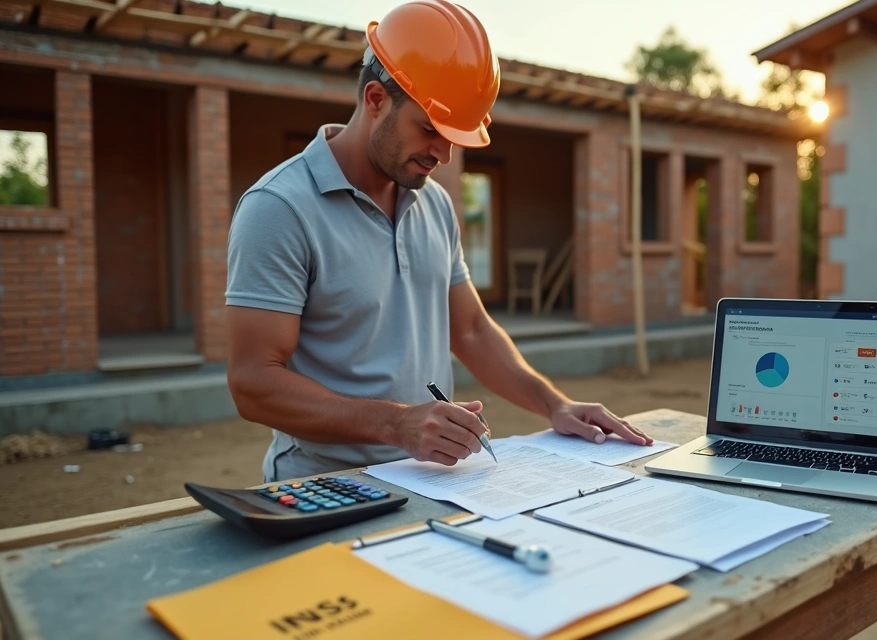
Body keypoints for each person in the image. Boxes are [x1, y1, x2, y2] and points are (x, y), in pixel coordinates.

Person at [224, 0, 652, 483]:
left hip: (430, 479)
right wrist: (396, 422)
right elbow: (253, 382)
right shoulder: (279, 208)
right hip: (325, 485)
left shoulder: (434, 204)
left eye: (454, 137)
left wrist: (554, 403)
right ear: (375, 99)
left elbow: (469, 329)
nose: (443, 155)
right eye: (430, 129)